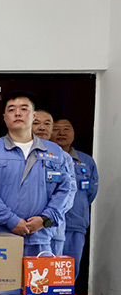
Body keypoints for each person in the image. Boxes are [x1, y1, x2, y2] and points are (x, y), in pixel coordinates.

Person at [0, 92, 76, 256]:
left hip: (40, 238)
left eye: (24, 109)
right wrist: (10, 220)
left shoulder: (54, 151)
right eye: (12, 109)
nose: (18, 113)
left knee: (39, 274)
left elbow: (65, 189)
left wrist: (45, 219)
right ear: (5, 117)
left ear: (33, 116)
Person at [53, 117, 98, 275]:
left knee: (69, 273)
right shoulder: (44, 156)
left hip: (74, 225)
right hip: (47, 225)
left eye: (66, 129)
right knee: (45, 271)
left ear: (73, 132)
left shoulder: (86, 161)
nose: (61, 133)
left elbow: (90, 193)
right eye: (56, 129)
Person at [32, 109, 66, 254]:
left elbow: (68, 192)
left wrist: (46, 218)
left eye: (47, 124)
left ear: (52, 129)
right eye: (36, 123)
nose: (42, 128)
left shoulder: (62, 156)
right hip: (22, 227)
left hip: (52, 226)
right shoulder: (17, 154)